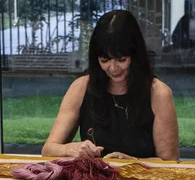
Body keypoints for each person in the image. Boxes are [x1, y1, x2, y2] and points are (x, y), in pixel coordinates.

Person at [41, 10, 179, 161]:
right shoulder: (81, 87)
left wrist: (134, 162)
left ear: (136, 56)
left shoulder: (158, 93)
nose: (113, 68)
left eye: (121, 59)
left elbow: (169, 160)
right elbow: (49, 149)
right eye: (104, 60)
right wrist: (70, 148)